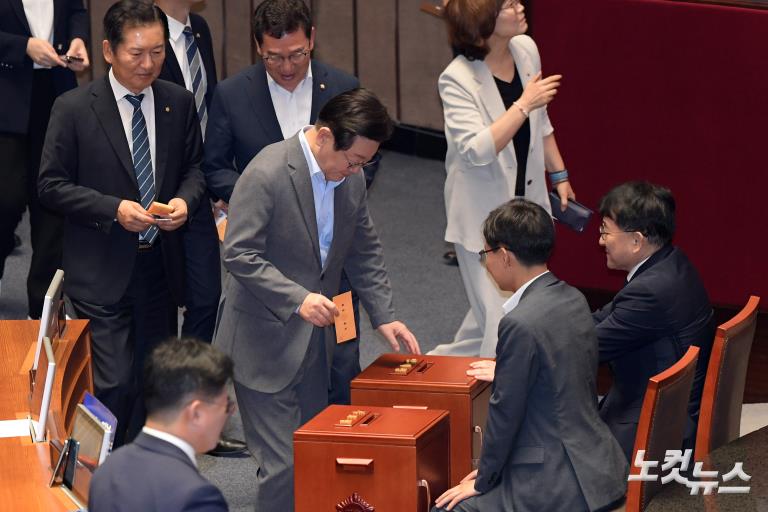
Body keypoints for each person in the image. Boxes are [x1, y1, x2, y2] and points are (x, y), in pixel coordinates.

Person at [213, 88, 420, 512]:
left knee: (312, 458)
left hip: (316, 344)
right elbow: (238, 252)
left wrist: (384, 315)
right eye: (352, 160)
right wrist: (297, 298)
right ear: (325, 136)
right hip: (262, 343)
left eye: (363, 162)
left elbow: (363, 249)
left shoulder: (352, 177)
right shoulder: (268, 172)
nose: (355, 170)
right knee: (284, 467)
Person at [38, 0, 206, 446]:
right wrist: (113, 209)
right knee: (113, 383)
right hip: (100, 269)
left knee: (154, 387)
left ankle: (135, 473)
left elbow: (194, 169)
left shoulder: (178, 102)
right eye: (137, 53)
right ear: (109, 51)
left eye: (157, 52)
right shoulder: (73, 108)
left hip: (158, 269)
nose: (148, 64)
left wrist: (185, 203)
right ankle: (96, 472)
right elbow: (51, 186)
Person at [204, 0, 369, 405]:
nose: (287, 67)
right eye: (273, 57)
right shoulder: (232, 94)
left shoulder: (345, 87)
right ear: (258, 48)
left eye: (297, 54)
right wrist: (264, 194)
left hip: (336, 259)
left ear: (311, 38)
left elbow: (366, 160)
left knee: (343, 356)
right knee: (281, 361)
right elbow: (214, 167)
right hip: (273, 255)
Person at [434, 199, 627, 512]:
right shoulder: (573, 298)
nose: (486, 264)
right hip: (599, 468)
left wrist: (483, 480)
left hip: (550, 480)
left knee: (448, 507)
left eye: (485, 254)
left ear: (505, 256)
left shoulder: (519, 324)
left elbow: (504, 414)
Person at [430, 0, 575, 358]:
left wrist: (559, 174)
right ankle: (490, 406)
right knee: (502, 325)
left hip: (524, 213)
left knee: (487, 324)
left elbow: (542, 124)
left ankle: (430, 379)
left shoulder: (525, 50)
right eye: (508, 4)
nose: (520, 6)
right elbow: (477, 150)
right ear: (484, 21)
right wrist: (523, 104)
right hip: (482, 221)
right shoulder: (457, 79)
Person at [155, 0, 246, 457]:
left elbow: (207, 109)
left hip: (197, 187)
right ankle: (155, 420)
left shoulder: (200, 29)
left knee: (206, 298)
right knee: (155, 307)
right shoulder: (144, 28)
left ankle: (196, 414)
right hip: (151, 193)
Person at [593, 181, 714, 461]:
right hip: (673, 410)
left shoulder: (651, 291)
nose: (600, 241)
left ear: (636, 241)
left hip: (655, 429)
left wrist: (526, 352)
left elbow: (588, 347)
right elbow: (605, 316)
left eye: (605, 232)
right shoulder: (671, 263)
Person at [0, 0, 89, 316]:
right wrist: (23, 46)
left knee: (52, 203)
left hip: (55, 94)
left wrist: (79, 40)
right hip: (6, 96)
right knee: (6, 199)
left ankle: (42, 308)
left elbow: (77, 12)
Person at [89, 338, 232, 512]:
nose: (228, 416)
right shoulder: (199, 497)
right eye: (227, 406)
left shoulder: (106, 470)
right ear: (196, 412)